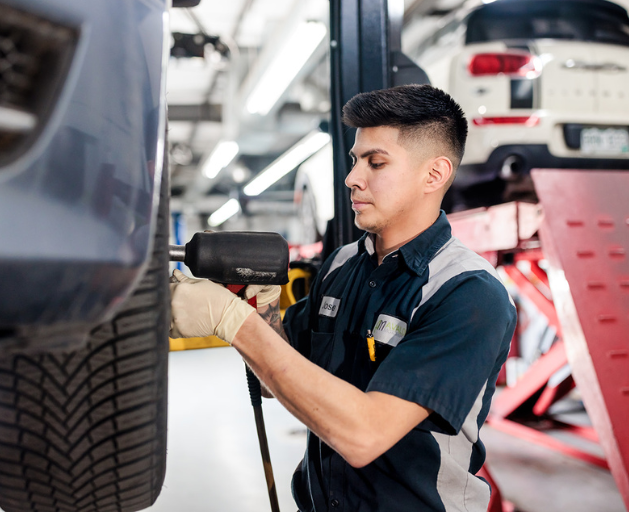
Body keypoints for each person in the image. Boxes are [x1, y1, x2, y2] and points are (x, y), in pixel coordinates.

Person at [170, 84, 516, 512]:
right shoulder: (342, 266)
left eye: (376, 162)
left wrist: (233, 323)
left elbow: (363, 435)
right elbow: (274, 383)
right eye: (355, 161)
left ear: (434, 174)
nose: (352, 178)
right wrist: (262, 315)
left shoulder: (469, 293)